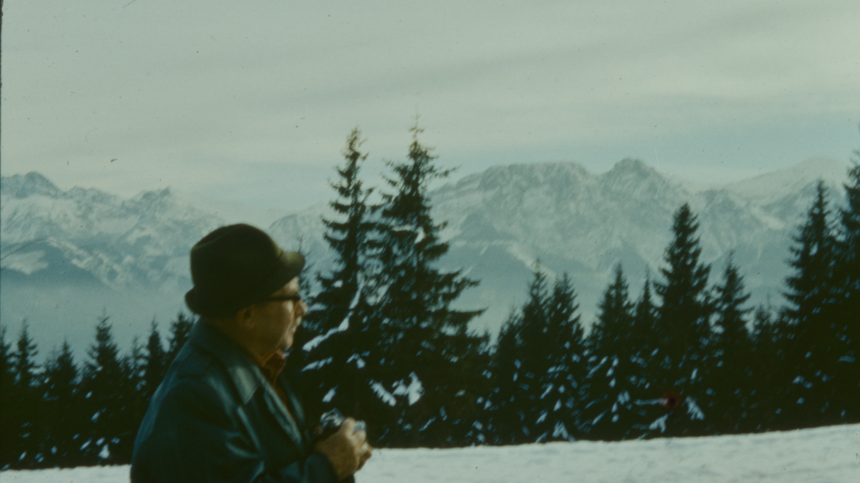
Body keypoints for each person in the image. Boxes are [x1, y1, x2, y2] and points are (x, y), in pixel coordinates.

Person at [131, 224, 372, 483]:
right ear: (247, 315)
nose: (303, 308)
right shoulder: (196, 397)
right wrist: (327, 466)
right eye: (292, 298)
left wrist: (321, 453)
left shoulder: (260, 365)